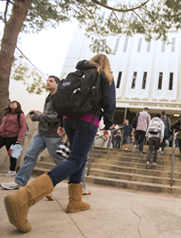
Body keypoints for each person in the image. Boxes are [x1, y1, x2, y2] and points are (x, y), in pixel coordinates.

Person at [3, 54, 116, 233]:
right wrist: (108, 125)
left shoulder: (77, 73)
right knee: (77, 160)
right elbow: (109, 102)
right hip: (87, 121)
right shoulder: (104, 75)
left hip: (69, 120)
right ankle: (24, 198)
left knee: (76, 158)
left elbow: (65, 99)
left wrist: (63, 122)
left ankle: (75, 201)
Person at [0, 76, 66, 190]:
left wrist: (37, 117)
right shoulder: (48, 97)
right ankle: (19, 181)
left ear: (57, 84)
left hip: (53, 135)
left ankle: (78, 182)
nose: (48, 82)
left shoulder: (59, 98)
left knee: (58, 159)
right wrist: (38, 115)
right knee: (30, 155)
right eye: (47, 80)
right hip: (41, 133)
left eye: (51, 81)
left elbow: (56, 117)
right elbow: (48, 113)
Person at [0, 101, 27, 176]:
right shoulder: (7, 114)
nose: (12, 104)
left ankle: (12, 170)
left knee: (12, 154)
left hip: (12, 136)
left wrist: (19, 138)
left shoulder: (20, 115)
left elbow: (23, 127)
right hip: (2, 135)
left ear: (18, 106)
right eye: (11, 103)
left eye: (14, 103)